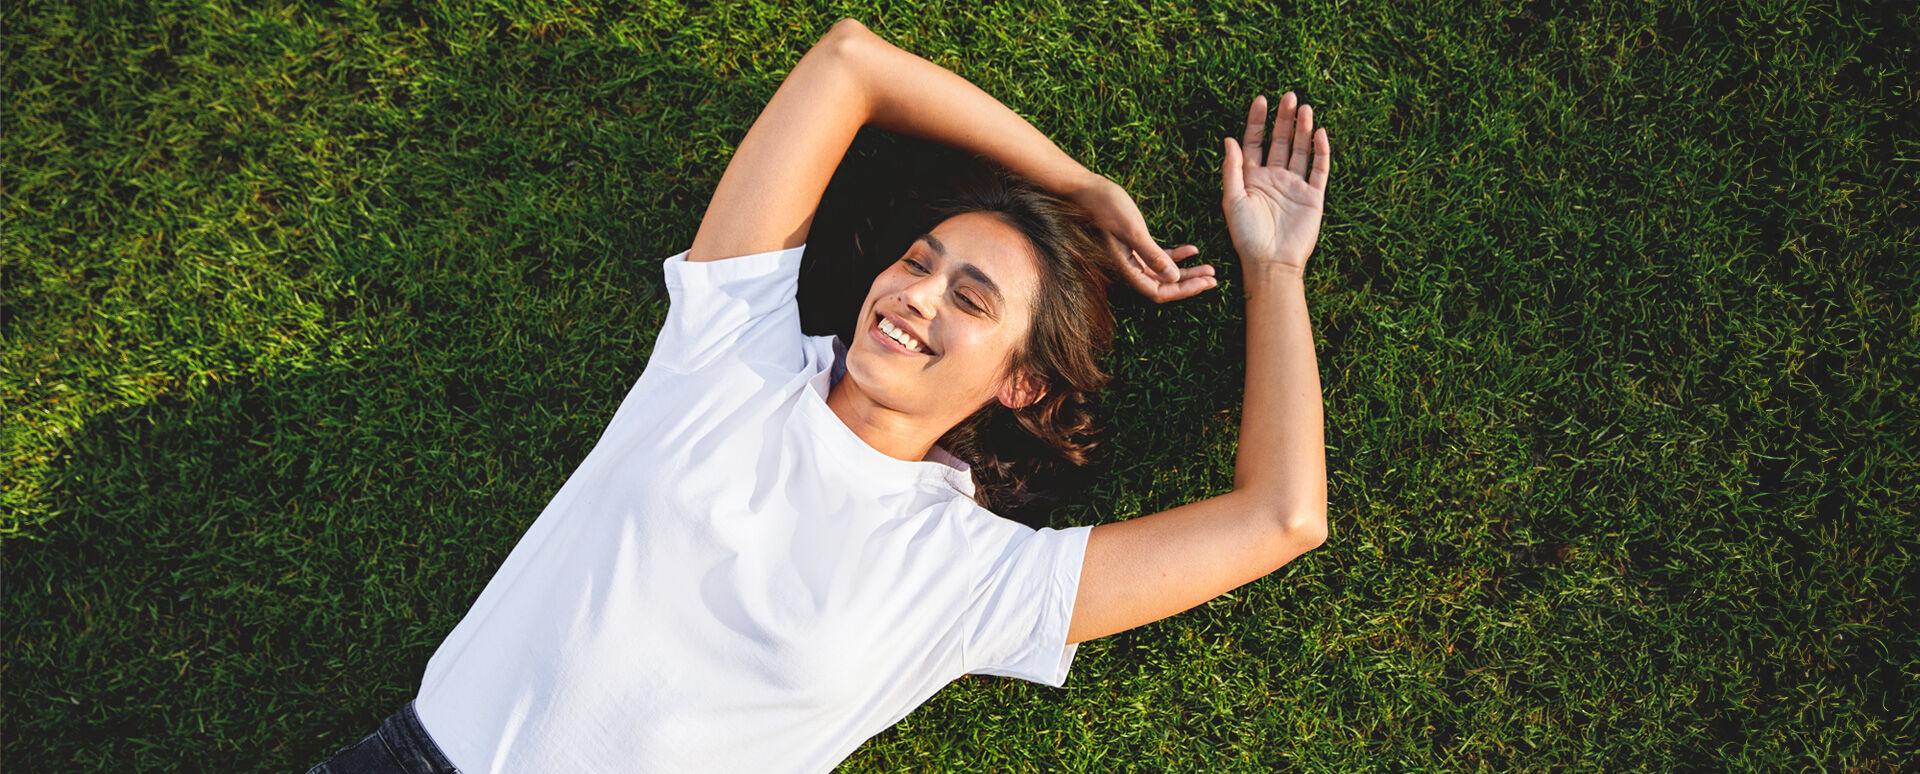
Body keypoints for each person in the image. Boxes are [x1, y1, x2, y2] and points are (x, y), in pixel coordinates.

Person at [306, 17, 1330, 774]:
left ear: (1021, 383)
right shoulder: (732, 352)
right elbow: (850, 63)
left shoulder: (974, 577)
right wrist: (1077, 184)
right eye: (919, 262)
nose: (915, 294)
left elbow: (1281, 518)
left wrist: (1272, 272)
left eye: (970, 298)